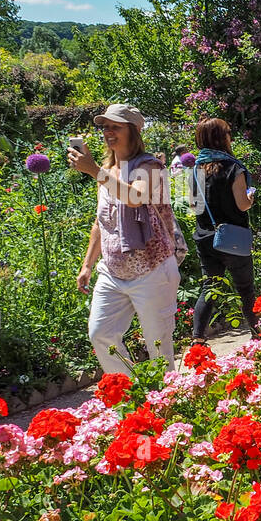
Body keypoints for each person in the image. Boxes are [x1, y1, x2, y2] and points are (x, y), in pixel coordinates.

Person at [71, 103, 181, 374]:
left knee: (159, 349)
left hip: (151, 270)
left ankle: (168, 406)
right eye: (105, 127)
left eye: (115, 126)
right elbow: (101, 221)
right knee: (100, 334)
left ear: (133, 131)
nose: (108, 132)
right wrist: (87, 265)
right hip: (112, 271)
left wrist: (95, 170)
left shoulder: (150, 166)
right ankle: (132, 395)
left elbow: (135, 198)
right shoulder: (109, 169)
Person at [189, 118, 258, 344]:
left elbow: (193, 206)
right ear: (221, 137)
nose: (231, 136)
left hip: (205, 238)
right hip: (233, 237)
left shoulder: (196, 169)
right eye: (228, 132)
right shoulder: (233, 168)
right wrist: (250, 197)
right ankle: (258, 335)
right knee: (245, 288)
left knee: (211, 287)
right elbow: (242, 205)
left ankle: (197, 339)